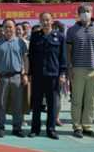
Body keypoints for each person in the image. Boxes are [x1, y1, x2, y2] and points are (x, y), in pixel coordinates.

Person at [67, 4, 94, 139]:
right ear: (78, 14)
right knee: (77, 100)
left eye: (88, 11)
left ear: (92, 13)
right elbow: (68, 51)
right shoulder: (72, 30)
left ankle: (88, 127)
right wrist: (69, 68)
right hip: (77, 69)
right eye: (83, 12)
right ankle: (77, 127)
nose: (86, 13)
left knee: (91, 101)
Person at [28, 12, 67, 140]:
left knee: (52, 103)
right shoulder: (35, 36)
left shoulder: (60, 36)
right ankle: (35, 129)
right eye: (43, 20)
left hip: (53, 75)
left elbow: (63, 57)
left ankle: (51, 130)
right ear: (39, 21)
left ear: (52, 21)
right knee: (36, 103)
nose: (45, 22)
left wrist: (62, 73)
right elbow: (31, 56)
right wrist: (30, 73)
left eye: (47, 20)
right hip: (38, 75)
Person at [0, 19, 29, 138]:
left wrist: (26, 74)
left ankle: (17, 128)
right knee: (1, 103)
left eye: (11, 27)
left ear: (14, 28)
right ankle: (0, 127)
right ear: (2, 28)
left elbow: (25, 58)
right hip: (2, 77)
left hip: (17, 76)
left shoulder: (20, 42)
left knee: (17, 104)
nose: (8, 29)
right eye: (6, 27)